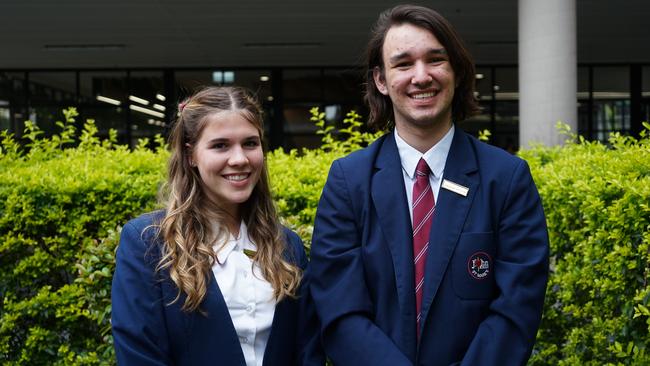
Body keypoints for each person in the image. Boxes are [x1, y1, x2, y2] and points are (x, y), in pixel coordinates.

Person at [310, 4, 549, 366]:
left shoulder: (507, 179)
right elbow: (340, 311)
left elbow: (516, 311)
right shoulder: (348, 182)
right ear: (380, 80)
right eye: (403, 64)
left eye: (435, 60)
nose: (421, 77)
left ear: (456, 71)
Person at [111, 86, 323, 366]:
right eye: (220, 145)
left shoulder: (287, 246)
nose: (239, 159)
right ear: (191, 155)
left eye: (250, 143)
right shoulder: (148, 243)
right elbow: (140, 356)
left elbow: (307, 351)